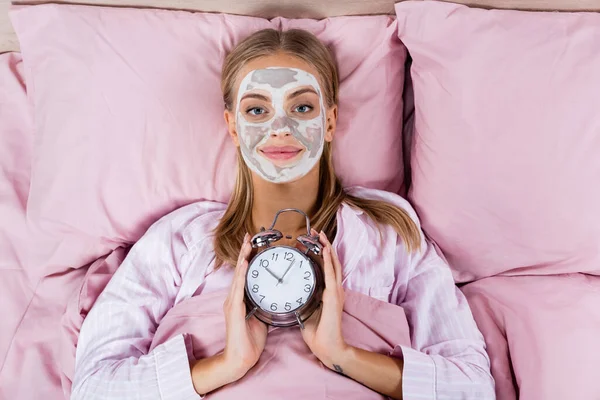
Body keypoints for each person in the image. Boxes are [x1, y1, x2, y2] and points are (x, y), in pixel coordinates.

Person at [71, 29, 495, 400]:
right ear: (232, 126)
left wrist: (341, 355)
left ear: (330, 122)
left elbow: (472, 387)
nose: (280, 127)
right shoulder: (181, 239)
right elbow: (93, 387)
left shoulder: (387, 232)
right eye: (257, 110)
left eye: (302, 108)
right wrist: (227, 364)